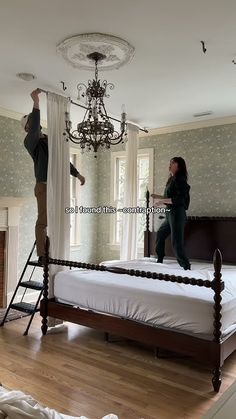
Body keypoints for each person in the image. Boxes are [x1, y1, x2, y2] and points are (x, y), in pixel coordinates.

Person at [21, 89, 85, 264]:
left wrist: (77, 175)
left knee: (61, 218)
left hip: (55, 185)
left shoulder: (49, 140)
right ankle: (42, 254)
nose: (35, 125)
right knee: (43, 221)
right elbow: (34, 129)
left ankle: (55, 248)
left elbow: (61, 160)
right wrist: (35, 102)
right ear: (28, 127)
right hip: (43, 186)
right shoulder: (29, 141)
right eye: (32, 123)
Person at [151, 157, 191, 270]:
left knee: (176, 242)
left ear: (179, 166)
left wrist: (161, 201)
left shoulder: (180, 179)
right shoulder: (172, 179)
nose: (169, 164)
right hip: (170, 214)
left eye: (172, 163)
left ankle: (186, 266)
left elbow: (180, 199)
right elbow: (170, 197)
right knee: (160, 234)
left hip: (177, 214)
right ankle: (159, 259)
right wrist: (158, 197)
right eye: (169, 162)